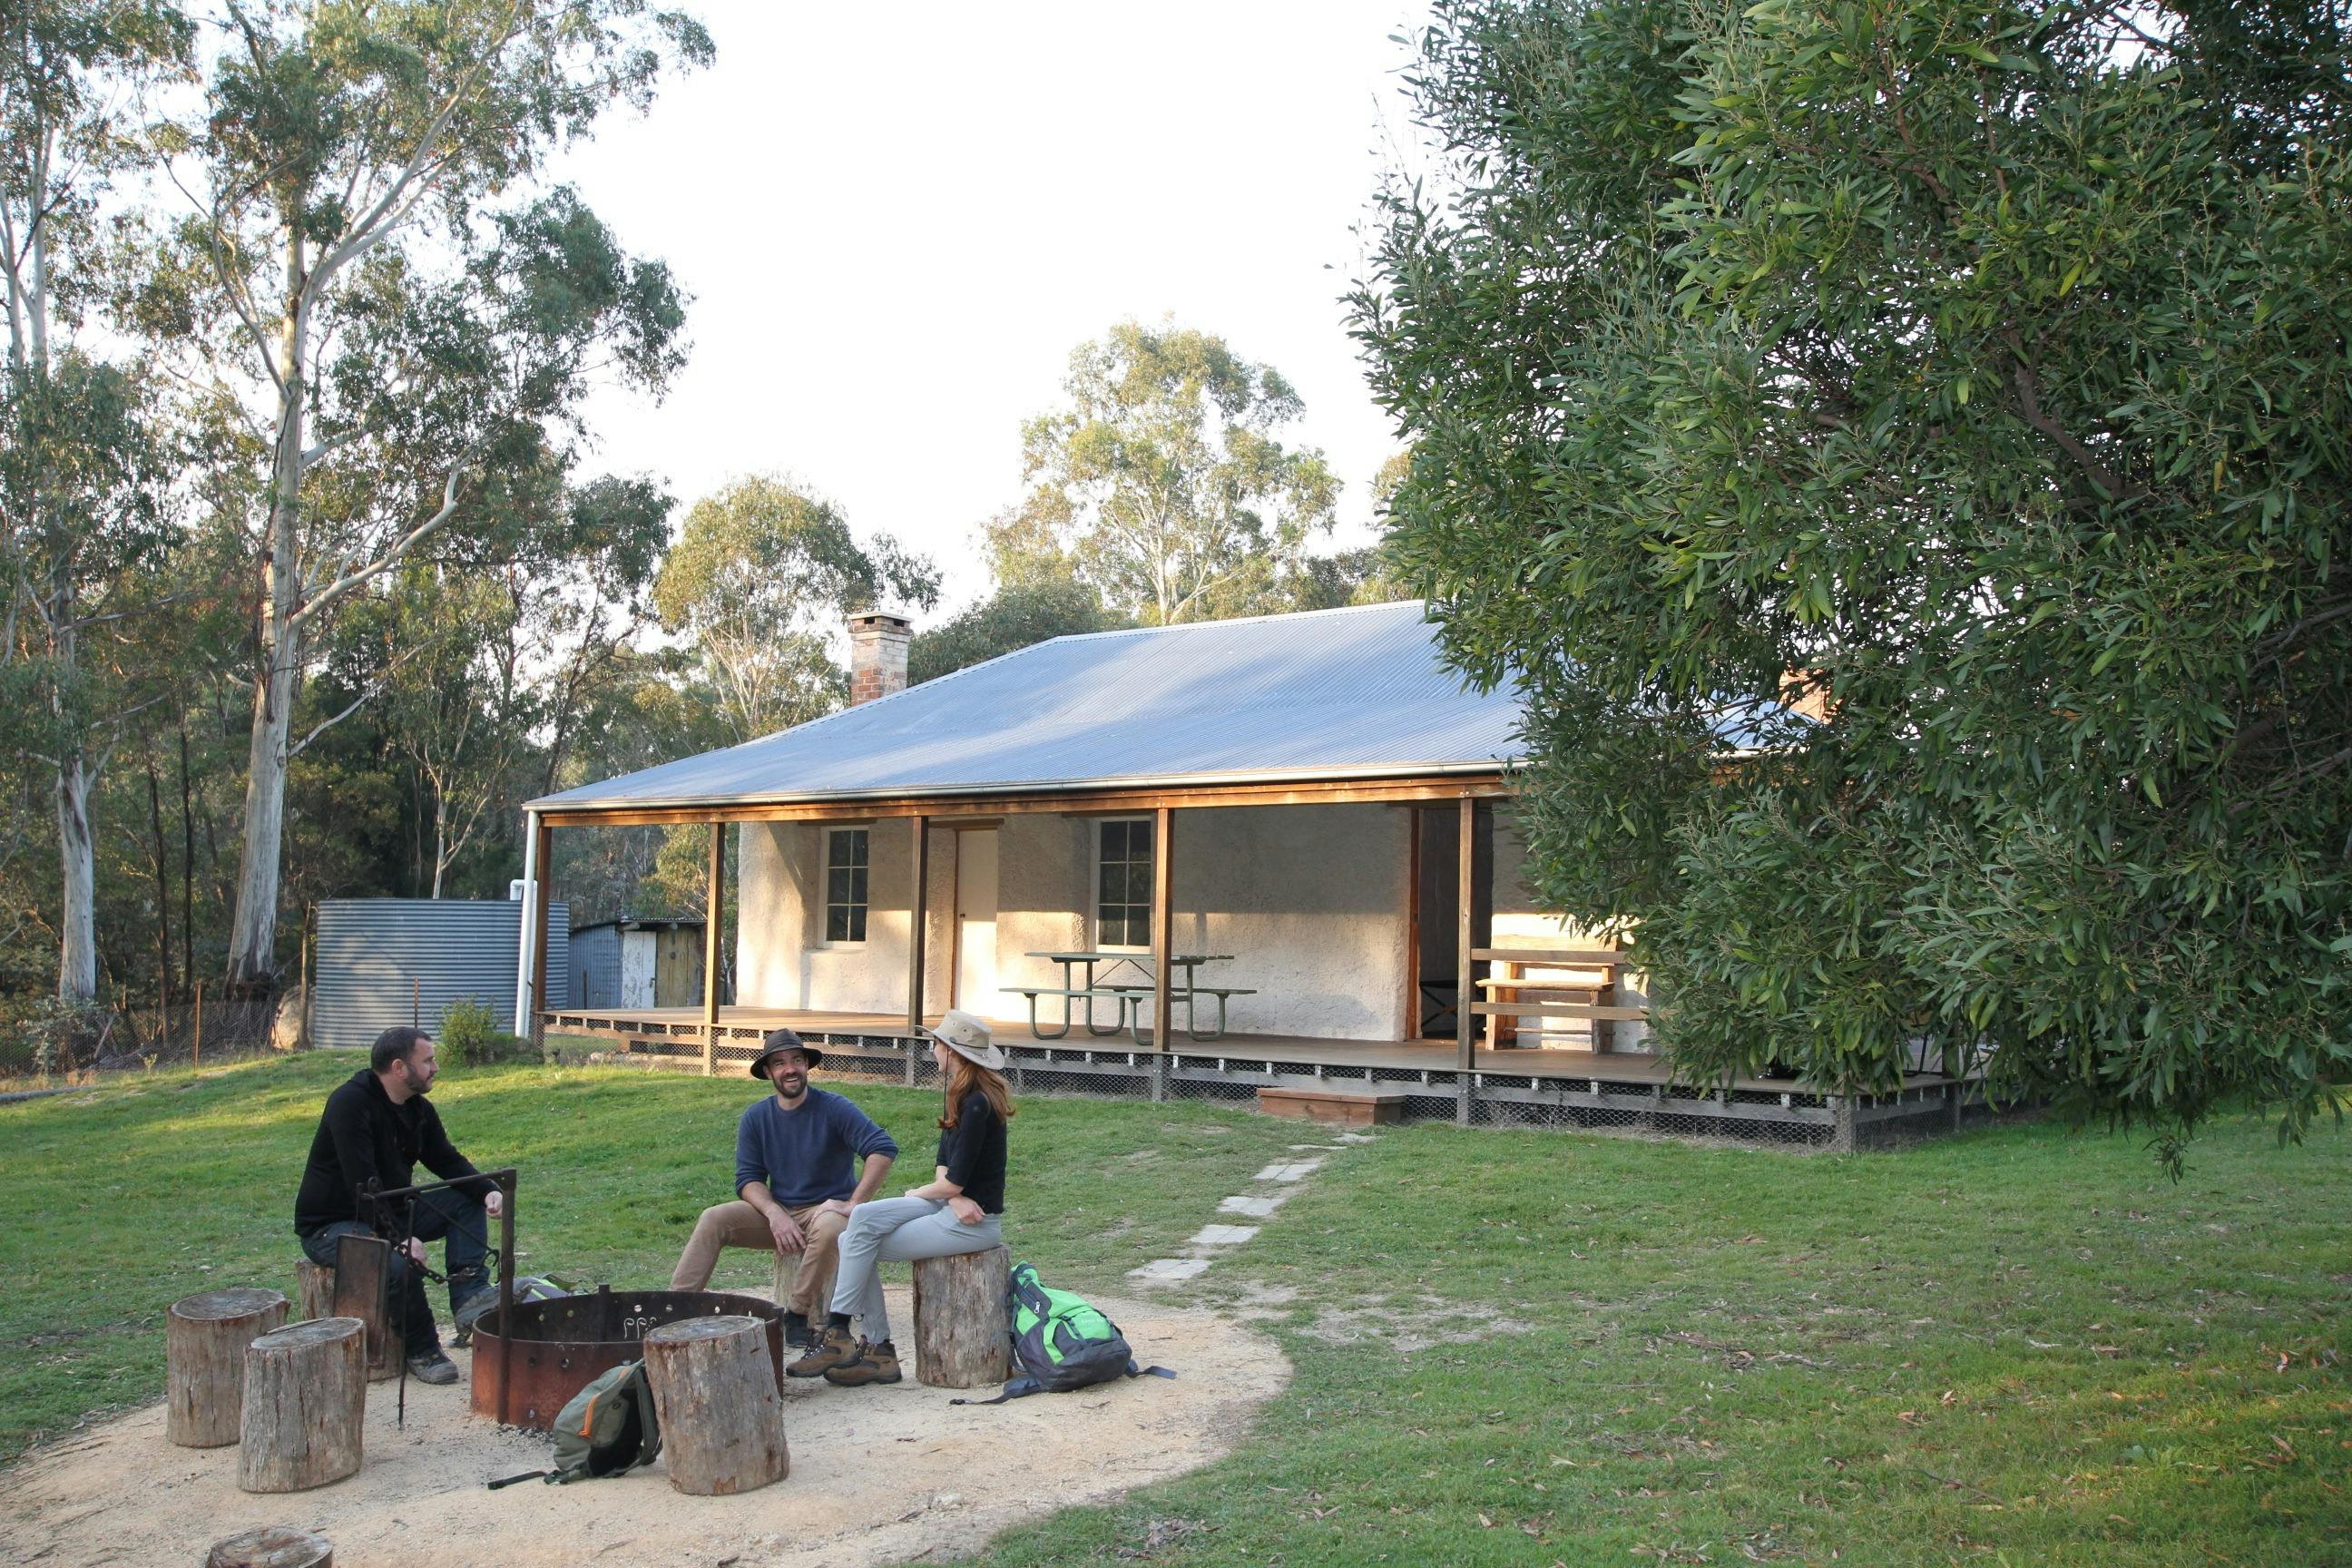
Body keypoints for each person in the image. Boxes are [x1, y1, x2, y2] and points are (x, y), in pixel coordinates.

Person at [791, 1008, 1012, 1387]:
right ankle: (856, 1340)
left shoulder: (978, 1103)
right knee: (858, 1227)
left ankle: (859, 1339)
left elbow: (951, 1182)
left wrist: (933, 1193)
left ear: (953, 1052)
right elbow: (945, 1172)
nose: (933, 1050)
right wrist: (951, 1194)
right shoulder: (960, 1097)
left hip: (974, 1226)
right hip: (952, 1207)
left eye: (936, 1044)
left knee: (855, 1242)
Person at [294, 1025, 505, 1386]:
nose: (436, 1067)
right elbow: (362, 1183)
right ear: (399, 1067)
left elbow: (446, 1159)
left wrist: (485, 1190)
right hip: (332, 1225)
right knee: (397, 1264)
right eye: (428, 1060)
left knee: (463, 1201)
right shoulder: (350, 1103)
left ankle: (470, 1297)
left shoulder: (417, 1109)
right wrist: (398, 1240)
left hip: (388, 1209)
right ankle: (423, 1350)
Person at [670, 1027, 897, 1348]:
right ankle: (673, 1310)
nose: (789, 1069)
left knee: (833, 1226)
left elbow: (882, 1148)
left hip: (824, 1211)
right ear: (768, 1072)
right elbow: (748, 1179)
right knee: (713, 1218)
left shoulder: (834, 1107)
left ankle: (797, 1314)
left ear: (806, 1065)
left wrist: (853, 1204)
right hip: (778, 1211)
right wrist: (774, 1213)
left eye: (796, 1060)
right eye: (779, 1063)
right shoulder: (756, 1117)